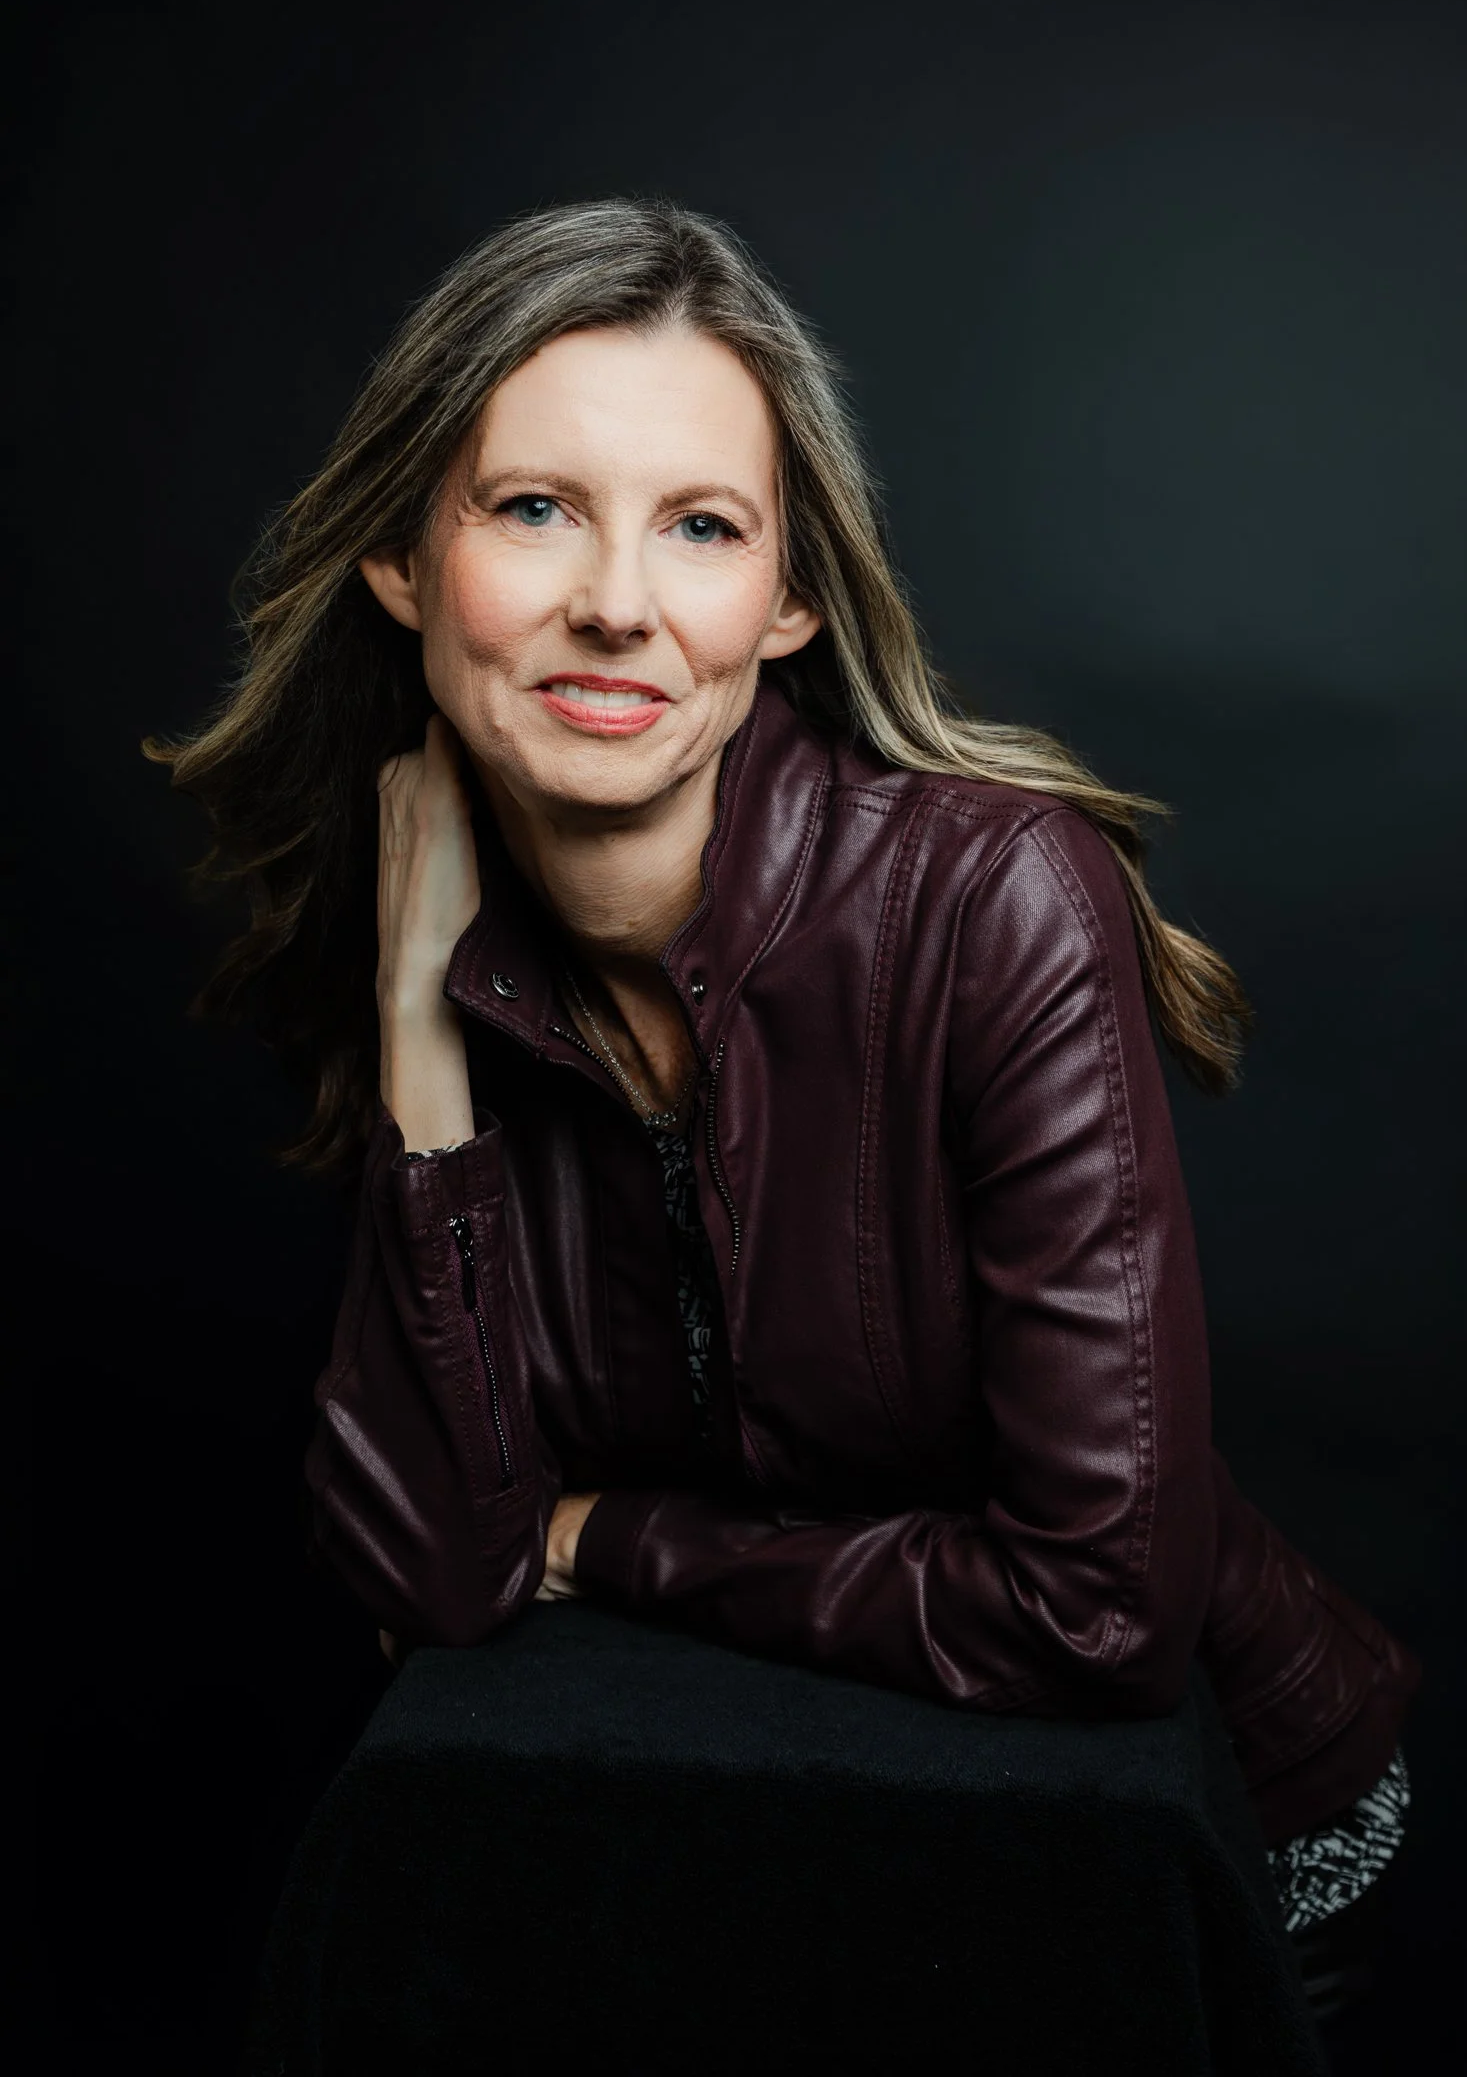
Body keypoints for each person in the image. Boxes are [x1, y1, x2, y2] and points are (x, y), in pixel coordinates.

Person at [146, 198, 1419, 2019]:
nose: (615, 601)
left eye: (701, 527)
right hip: (733, 1837)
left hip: (1193, 1842)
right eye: (531, 508)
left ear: (790, 600)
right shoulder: (444, 954)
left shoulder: (993, 902)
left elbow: (1102, 1614)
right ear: (399, 563)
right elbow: (438, 1569)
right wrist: (421, 1039)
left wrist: (605, 1541)